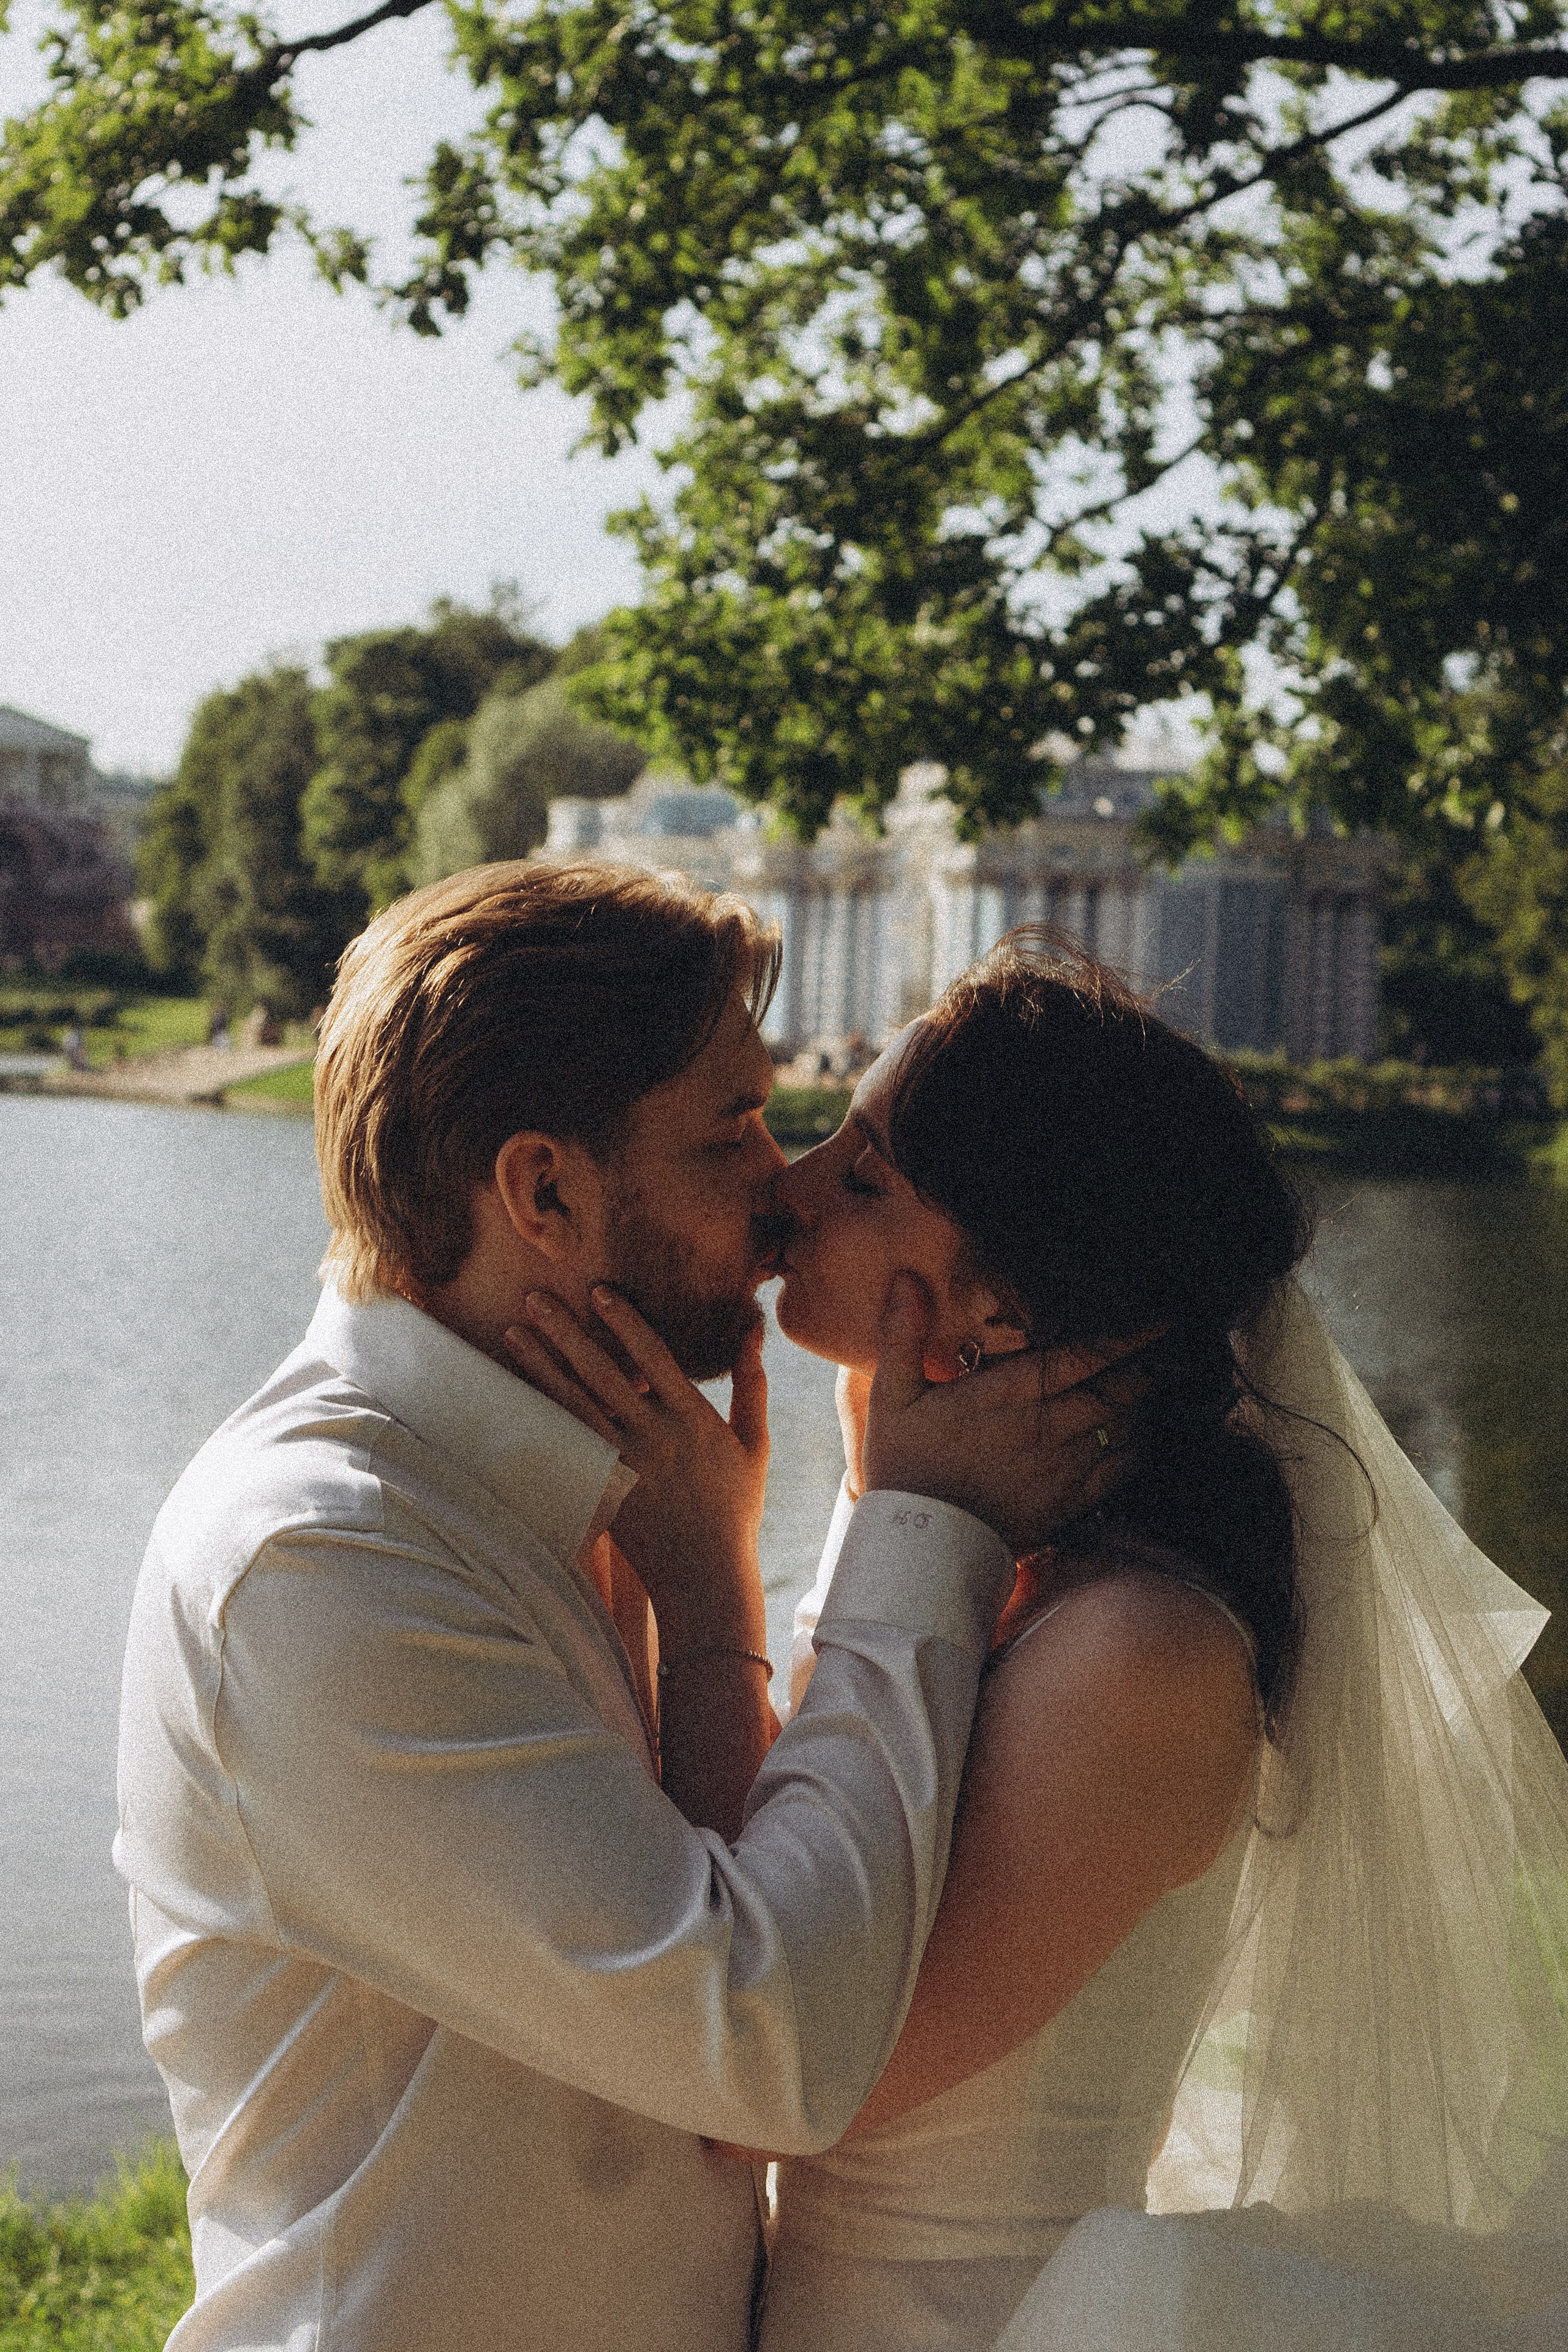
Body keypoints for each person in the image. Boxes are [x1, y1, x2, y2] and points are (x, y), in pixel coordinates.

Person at [114, 864, 1125, 2352]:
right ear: (544, 1191)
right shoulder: (322, 1563)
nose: (782, 1193)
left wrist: (711, 1598)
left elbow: (738, 1919)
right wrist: (920, 1531)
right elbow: (773, 2049)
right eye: (730, 1134)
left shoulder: (593, 1481)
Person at [737, 933, 1568, 2350]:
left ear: (1005, 1305)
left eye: (863, 1177)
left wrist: (706, 1575)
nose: (787, 1188)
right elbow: (780, 1862)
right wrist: (891, 1510)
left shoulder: (1137, 1655)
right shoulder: (993, 1568)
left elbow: (780, 2076)